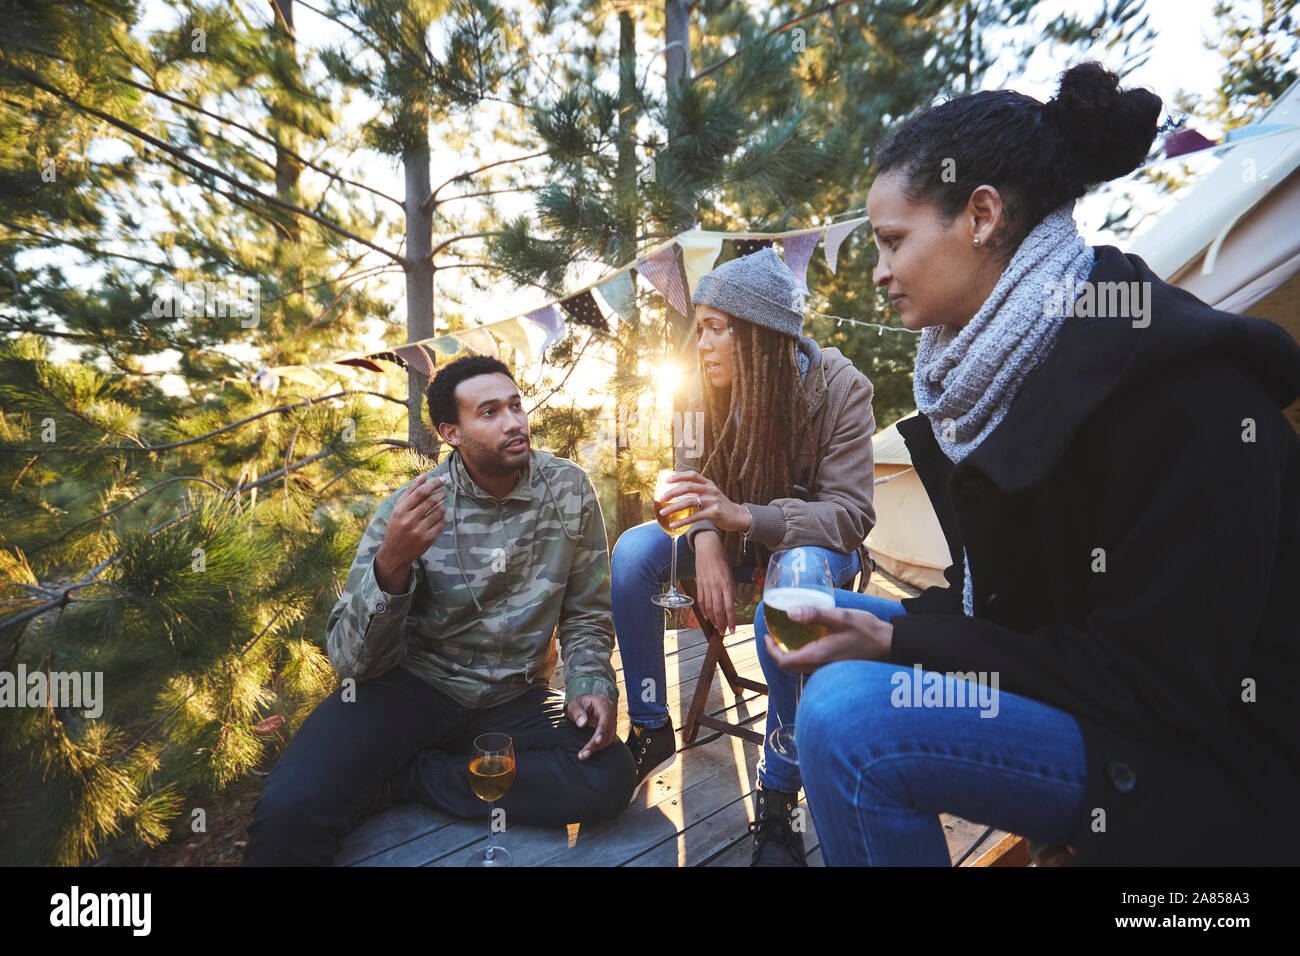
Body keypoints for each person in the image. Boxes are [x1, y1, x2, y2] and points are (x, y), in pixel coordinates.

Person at [767, 62, 1300, 866]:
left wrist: (898, 644)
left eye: (892, 242)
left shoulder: (1178, 386)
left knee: (851, 722)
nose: (877, 272)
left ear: (981, 214)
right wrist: (880, 623)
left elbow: (1153, 686)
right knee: (827, 639)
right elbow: (1020, 606)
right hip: (1114, 703)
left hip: (1221, 763)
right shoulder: (1002, 377)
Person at [244, 355, 634, 866]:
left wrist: (589, 685)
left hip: (515, 696)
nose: (514, 422)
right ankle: (425, 767)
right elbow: (350, 662)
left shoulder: (568, 488)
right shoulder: (411, 509)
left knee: (607, 777)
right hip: (410, 690)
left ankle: (408, 778)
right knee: (287, 811)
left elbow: (586, 613)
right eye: (489, 412)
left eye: (515, 405)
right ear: (451, 432)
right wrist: (392, 565)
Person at [610, 247, 878, 866]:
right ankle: (651, 726)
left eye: (714, 328)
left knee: (797, 584)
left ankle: (781, 790)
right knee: (632, 554)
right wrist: (706, 537)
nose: (699, 345)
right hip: (724, 537)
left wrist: (743, 517)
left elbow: (849, 514)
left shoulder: (842, 389)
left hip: (809, 545)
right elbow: (685, 473)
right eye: (697, 326)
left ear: (759, 334)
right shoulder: (694, 390)